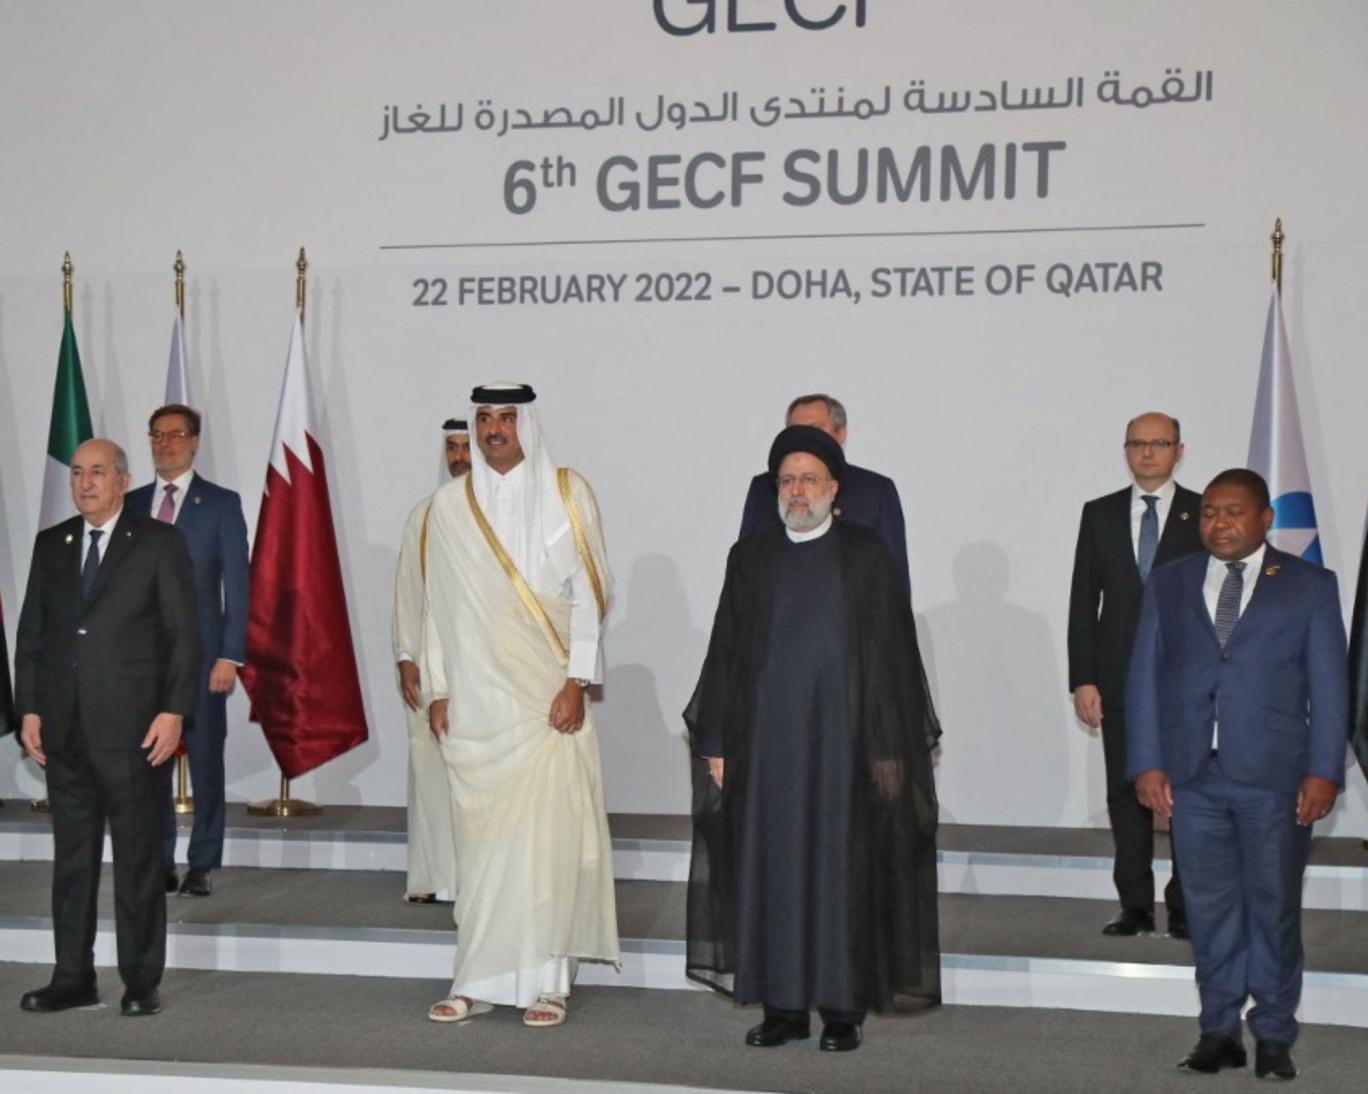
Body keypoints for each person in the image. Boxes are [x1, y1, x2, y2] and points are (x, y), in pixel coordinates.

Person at [685, 425, 941, 1053]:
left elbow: (891, 660)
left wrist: (888, 750)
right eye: (787, 480)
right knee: (772, 871)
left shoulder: (866, 556)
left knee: (841, 872)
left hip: (843, 750)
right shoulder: (750, 558)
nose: (797, 491)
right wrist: (716, 743)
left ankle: (842, 1008)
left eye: (809, 479)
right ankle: (784, 1008)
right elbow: (724, 652)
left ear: (833, 489)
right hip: (766, 751)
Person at [1127, 468, 1348, 1080]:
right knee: (1208, 909)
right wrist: (1147, 761)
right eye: (1209, 513)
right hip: (1192, 778)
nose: (1218, 523)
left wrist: (1324, 771)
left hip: (1275, 780)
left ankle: (1273, 1033)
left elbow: (1330, 687)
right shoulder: (1169, 581)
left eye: (1233, 512)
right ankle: (1218, 1030)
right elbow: (1144, 677)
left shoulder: (1309, 585)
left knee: (1273, 909)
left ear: (1265, 519)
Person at [420, 383, 617, 1028]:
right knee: (481, 851)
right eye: (484, 418)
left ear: (526, 423)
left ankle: (548, 984)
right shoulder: (450, 506)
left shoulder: (565, 491)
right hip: (476, 704)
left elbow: (588, 595)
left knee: (546, 846)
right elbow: (438, 605)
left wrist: (577, 680)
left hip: (544, 701)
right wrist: (439, 688)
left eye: (506, 417)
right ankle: (475, 978)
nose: (494, 429)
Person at [15, 439, 200, 1017]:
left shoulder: (158, 542)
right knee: (72, 864)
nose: (85, 483)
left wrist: (173, 711)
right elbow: (32, 633)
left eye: (97, 472)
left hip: (135, 733)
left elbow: (184, 635)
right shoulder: (53, 544)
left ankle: (140, 982)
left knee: (139, 863)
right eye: (77, 473)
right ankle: (72, 977)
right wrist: (30, 708)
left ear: (123, 480)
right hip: (64, 733)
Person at [1067, 412, 1201, 938]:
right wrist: (1084, 678)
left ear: (1179, 451)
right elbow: (1083, 601)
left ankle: (1186, 905)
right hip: (1118, 677)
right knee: (1125, 793)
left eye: (1159, 443)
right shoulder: (1098, 513)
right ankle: (1135, 906)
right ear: (1125, 450)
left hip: (1185, 679)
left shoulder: (1202, 511)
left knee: (1186, 793)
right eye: (1137, 444)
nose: (1147, 453)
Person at [126, 404, 249, 898]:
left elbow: (237, 585)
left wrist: (230, 655)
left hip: (202, 660)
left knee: (205, 761)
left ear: (195, 441)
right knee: (149, 763)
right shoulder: (131, 503)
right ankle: (159, 859)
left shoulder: (220, 503)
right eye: (157, 435)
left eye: (176, 435)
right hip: (141, 662)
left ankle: (203, 860)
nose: (165, 443)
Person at [391, 417, 469, 903]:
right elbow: (408, 590)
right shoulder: (425, 514)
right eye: (452, 448)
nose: (459, 457)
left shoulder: (504, 515)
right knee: (429, 769)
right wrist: (406, 656)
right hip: (427, 659)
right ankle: (431, 876)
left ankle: (474, 878)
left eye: (466, 447)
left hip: (481, 667)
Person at [737, 394, 911, 597]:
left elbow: (894, 583)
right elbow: (743, 570)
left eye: (815, 430)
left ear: (841, 433)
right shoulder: (764, 488)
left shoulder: (874, 491)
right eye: (795, 431)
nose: (805, 439)